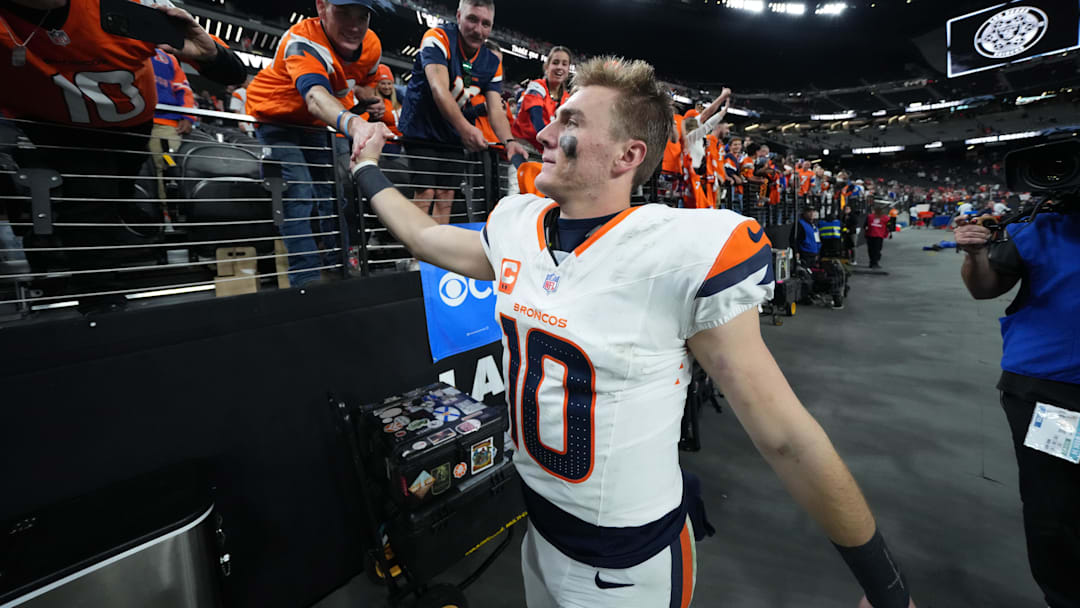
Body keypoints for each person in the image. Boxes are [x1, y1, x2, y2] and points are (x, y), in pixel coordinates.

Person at [351, 55, 915, 608]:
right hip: (539, 534)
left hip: (625, 571)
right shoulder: (517, 225)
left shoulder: (676, 251)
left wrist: (886, 585)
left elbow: (785, 436)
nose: (545, 131)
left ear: (629, 155)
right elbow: (424, 238)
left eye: (570, 121)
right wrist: (366, 170)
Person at [955, 202, 1080, 608]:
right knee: (1056, 508)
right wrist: (976, 255)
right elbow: (984, 287)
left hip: (1049, 384)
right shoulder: (1042, 225)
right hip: (1052, 391)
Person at [245, 0, 385, 287]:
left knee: (334, 195)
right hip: (277, 118)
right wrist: (355, 123)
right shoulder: (303, 40)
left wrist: (368, 101)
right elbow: (314, 97)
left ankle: (341, 269)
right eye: (343, 12)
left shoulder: (372, 44)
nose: (355, 25)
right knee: (299, 193)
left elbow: (364, 81)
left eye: (363, 16)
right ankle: (305, 282)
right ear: (322, 7)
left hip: (319, 124)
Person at [398, 0, 526, 225]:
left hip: (452, 134)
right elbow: (439, 89)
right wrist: (466, 128)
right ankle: (414, 257)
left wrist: (509, 141)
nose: (478, 30)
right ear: (458, 16)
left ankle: (436, 255)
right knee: (425, 193)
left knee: (446, 196)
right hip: (422, 130)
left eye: (486, 24)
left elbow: (496, 110)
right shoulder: (437, 38)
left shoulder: (491, 62)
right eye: (472, 19)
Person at [150, 49, 197, 200]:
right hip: (126, 119)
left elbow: (183, 89)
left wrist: (187, 117)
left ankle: (165, 215)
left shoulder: (169, 58)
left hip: (164, 124)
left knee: (166, 168)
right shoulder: (122, 43)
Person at [511, 45, 572, 155]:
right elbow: (536, 118)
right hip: (524, 147)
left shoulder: (567, 98)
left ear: (568, 69)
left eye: (564, 64)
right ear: (547, 67)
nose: (559, 67)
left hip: (547, 150)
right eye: (555, 62)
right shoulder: (537, 87)